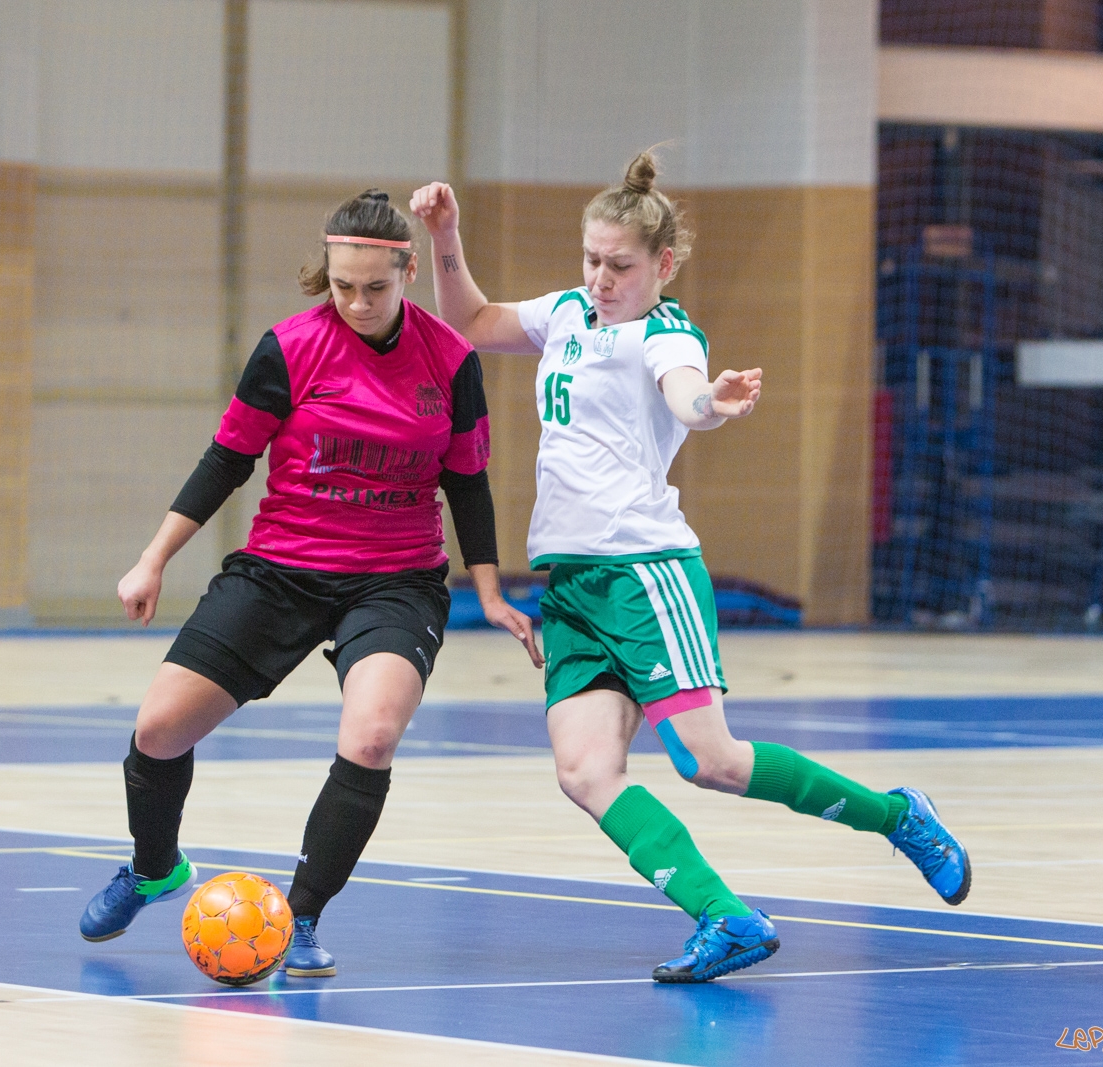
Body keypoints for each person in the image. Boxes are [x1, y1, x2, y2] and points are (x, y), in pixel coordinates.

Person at [410, 152, 970, 983]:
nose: (601, 278)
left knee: (710, 761)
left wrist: (714, 402)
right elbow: (472, 320)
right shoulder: (566, 312)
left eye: (620, 265)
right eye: (592, 259)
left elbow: (686, 396)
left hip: (644, 572)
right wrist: (446, 236)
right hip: (570, 587)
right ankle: (725, 917)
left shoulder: (666, 332)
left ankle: (897, 816)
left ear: (662, 266)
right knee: (584, 771)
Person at [79, 190, 541, 979]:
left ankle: (300, 917)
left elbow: (468, 482)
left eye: (376, 287)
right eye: (342, 286)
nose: (358, 302)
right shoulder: (290, 348)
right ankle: (155, 867)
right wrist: (154, 556)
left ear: (406, 271)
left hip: (396, 580)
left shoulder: (451, 361)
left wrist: (492, 591)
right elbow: (227, 459)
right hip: (282, 569)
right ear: (324, 274)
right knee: (158, 730)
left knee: (370, 736)